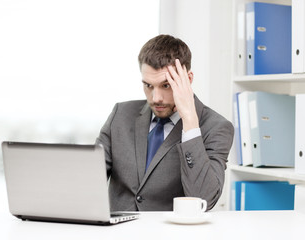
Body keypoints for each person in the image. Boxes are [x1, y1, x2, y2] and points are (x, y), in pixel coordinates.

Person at [96, 34, 234, 211]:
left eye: (166, 85)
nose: (156, 98)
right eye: (148, 86)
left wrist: (190, 122)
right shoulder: (120, 115)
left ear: (188, 79)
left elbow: (204, 199)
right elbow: (89, 180)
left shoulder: (216, 127)